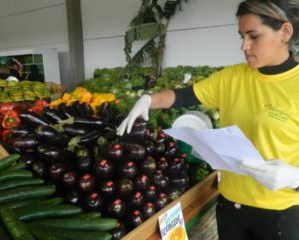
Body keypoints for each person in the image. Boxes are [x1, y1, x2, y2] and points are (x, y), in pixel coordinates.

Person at [117, 0, 299, 239]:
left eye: (253, 36)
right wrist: (148, 100)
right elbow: (182, 96)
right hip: (230, 209)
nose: (244, 45)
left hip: (281, 216)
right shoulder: (231, 77)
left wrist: (294, 177)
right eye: (241, 36)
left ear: (285, 32)